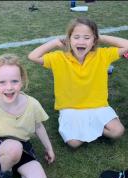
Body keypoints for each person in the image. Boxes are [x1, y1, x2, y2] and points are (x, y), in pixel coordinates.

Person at [28, 17, 128, 149]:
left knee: (117, 131)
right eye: (76, 37)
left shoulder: (102, 55)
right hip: (71, 108)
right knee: (73, 143)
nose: (81, 41)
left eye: (87, 37)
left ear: (94, 41)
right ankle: (91, 129)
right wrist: (54, 43)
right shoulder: (59, 57)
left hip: (97, 106)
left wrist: (101, 37)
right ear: (69, 40)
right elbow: (32, 56)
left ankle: (89, 128)